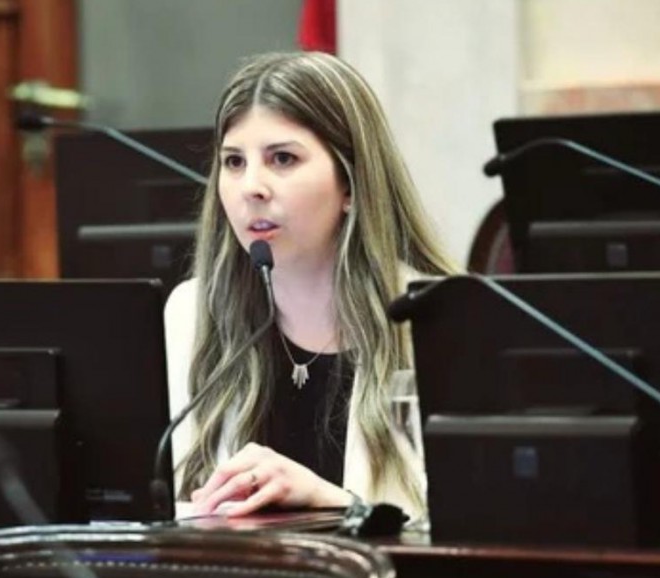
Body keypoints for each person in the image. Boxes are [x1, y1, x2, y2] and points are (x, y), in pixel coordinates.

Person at [164, 51, 457, 519]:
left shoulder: (439, 320)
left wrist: (338, 504)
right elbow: (172, 503)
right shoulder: (192, 313)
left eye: (282, 159)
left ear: (351, 184)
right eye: (234, 162)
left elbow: (467, 527)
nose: (251, 187)